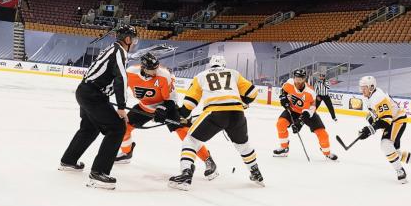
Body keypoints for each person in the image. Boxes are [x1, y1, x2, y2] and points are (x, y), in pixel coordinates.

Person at [115, 52, 218, 178]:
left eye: (156, 68)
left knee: (185, 133)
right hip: (145, 106)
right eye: (152, 69)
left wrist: (162, 109)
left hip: (166, 106)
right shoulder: (130, 72)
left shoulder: (164, 75)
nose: (155, 71)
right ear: (143, 68)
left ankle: (208, 160)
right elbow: (119, 87)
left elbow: (171, 99)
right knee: (122, 127)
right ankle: (127, 152)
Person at [59, 25, 138, 189]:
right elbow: (120, 79)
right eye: (134, 39)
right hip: (93, 95)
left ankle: (68, 160)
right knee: (116, 129)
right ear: (128, 39)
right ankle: (98, 173)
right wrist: (122, 107)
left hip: (86, 92)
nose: (135, 43)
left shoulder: (112, 49)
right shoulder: (119, 52)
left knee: (89, 128)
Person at [168, 55, 263, 189]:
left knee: (191, 139)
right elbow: (252, 92)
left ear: (210, 65)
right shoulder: (233, 73)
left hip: (215, 113)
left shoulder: (201, 76)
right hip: (237, 113)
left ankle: (186, 174)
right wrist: (242, 103)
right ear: (224, 65)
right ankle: (255, 172)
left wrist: (179, 116)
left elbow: (189, 103)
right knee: (243, 145)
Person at [356, 76, 411, 183]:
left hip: (397, 120)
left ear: (371, 87)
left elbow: (386, 120)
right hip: (391, 121)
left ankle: (400, 171)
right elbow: (372, 116)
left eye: (364, 88)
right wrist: (367, 130)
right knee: (394, 152)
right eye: (361, 87)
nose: (362, 90)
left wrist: (370, 129)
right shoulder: (367, 97)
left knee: (385, 145)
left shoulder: (378, 97)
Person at [273, 69, 337, 160]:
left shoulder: (310, 92)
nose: (297, 81)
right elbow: (284, 91)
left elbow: (312, 108)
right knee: (280, 124)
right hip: (293, 110)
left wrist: (300, 122)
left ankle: (327, 152)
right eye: (296, 78)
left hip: (307, 113)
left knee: (322, 133)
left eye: (300, 79)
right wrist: (283, 98)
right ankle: (284, 148)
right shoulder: (289, 83)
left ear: (304, 79)